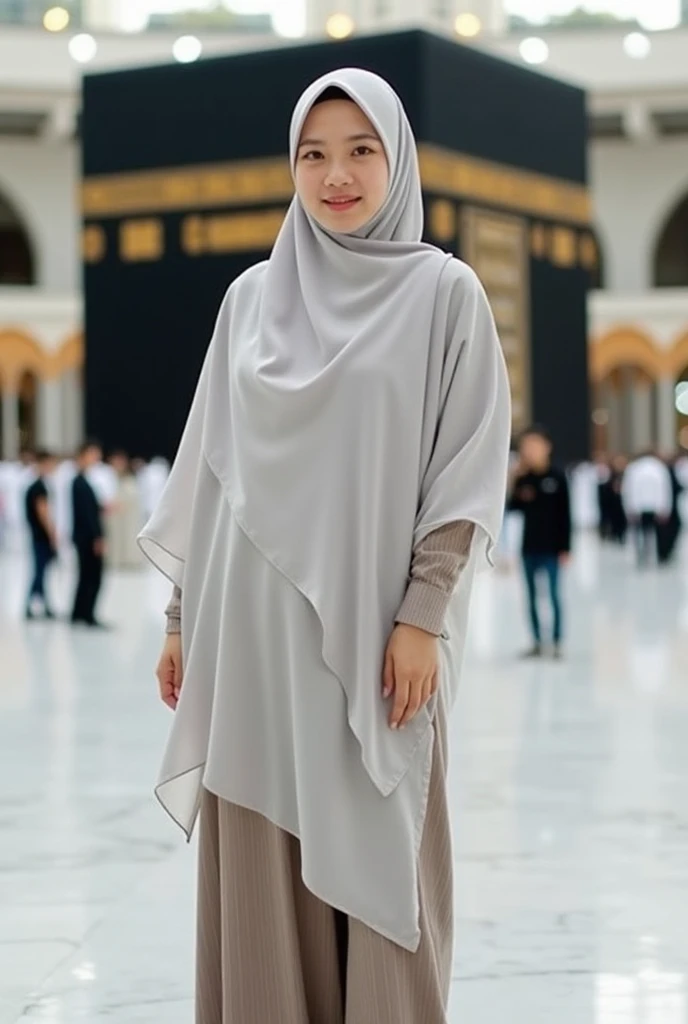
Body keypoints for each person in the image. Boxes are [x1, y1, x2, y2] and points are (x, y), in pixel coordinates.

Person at [138, 70, 510, 1023]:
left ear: (397, 158)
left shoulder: (444, 295)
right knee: (262, 876)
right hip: (248, 641)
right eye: (313, 154)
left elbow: (462, 469)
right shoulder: (250, 300)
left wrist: (423, 616)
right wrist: (182, 617)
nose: (335, 175)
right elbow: (211, 469)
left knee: (385, 860)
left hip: (372, 640)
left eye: (359, 151)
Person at [510, 425, 571, 659]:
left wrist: (566, 548)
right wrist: (515, 479)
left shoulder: (557, 476)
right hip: (529, 547)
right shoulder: (524, 478)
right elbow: (513, 508)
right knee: (531, 597)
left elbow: (566, 514)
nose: (532, 450)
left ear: (547, 447)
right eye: (528, 446)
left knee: (554, 596)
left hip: (553, 548)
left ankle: (556, 641)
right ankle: (536, 641)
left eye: (536, 445)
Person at [71, 440, 107, 626]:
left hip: (84, 537)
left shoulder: (82, 481)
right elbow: (87, 515)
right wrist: (97, 538)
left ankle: (79, 613)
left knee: (85, 575)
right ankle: (87, 614)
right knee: (91, 576)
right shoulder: (80, 483)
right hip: (87, 538)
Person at [621, 450, 672, 567]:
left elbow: (628, 491)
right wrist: (664, 508)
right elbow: (665, 490)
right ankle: (649, 555)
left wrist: (629, 508)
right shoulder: (659, 468)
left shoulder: (634, 468)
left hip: (638, 506)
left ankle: (641, 555)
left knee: (640, 533)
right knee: (652, 533)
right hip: (654, 506)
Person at [24, 450, 58, 620]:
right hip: (41, 536)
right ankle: (29, 604)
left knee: (41, 571)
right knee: (40, 571)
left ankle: (44, 605)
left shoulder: (34, 485)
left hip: (37, 534)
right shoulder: (39, 487)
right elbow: (42, 512)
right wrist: (52, 533)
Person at [105, 451, 143, 570]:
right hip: (115, 515)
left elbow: (131, 496)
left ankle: (130, 559)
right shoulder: (110, 476)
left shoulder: (129, 479)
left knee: (129, 537)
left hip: (128, 515)